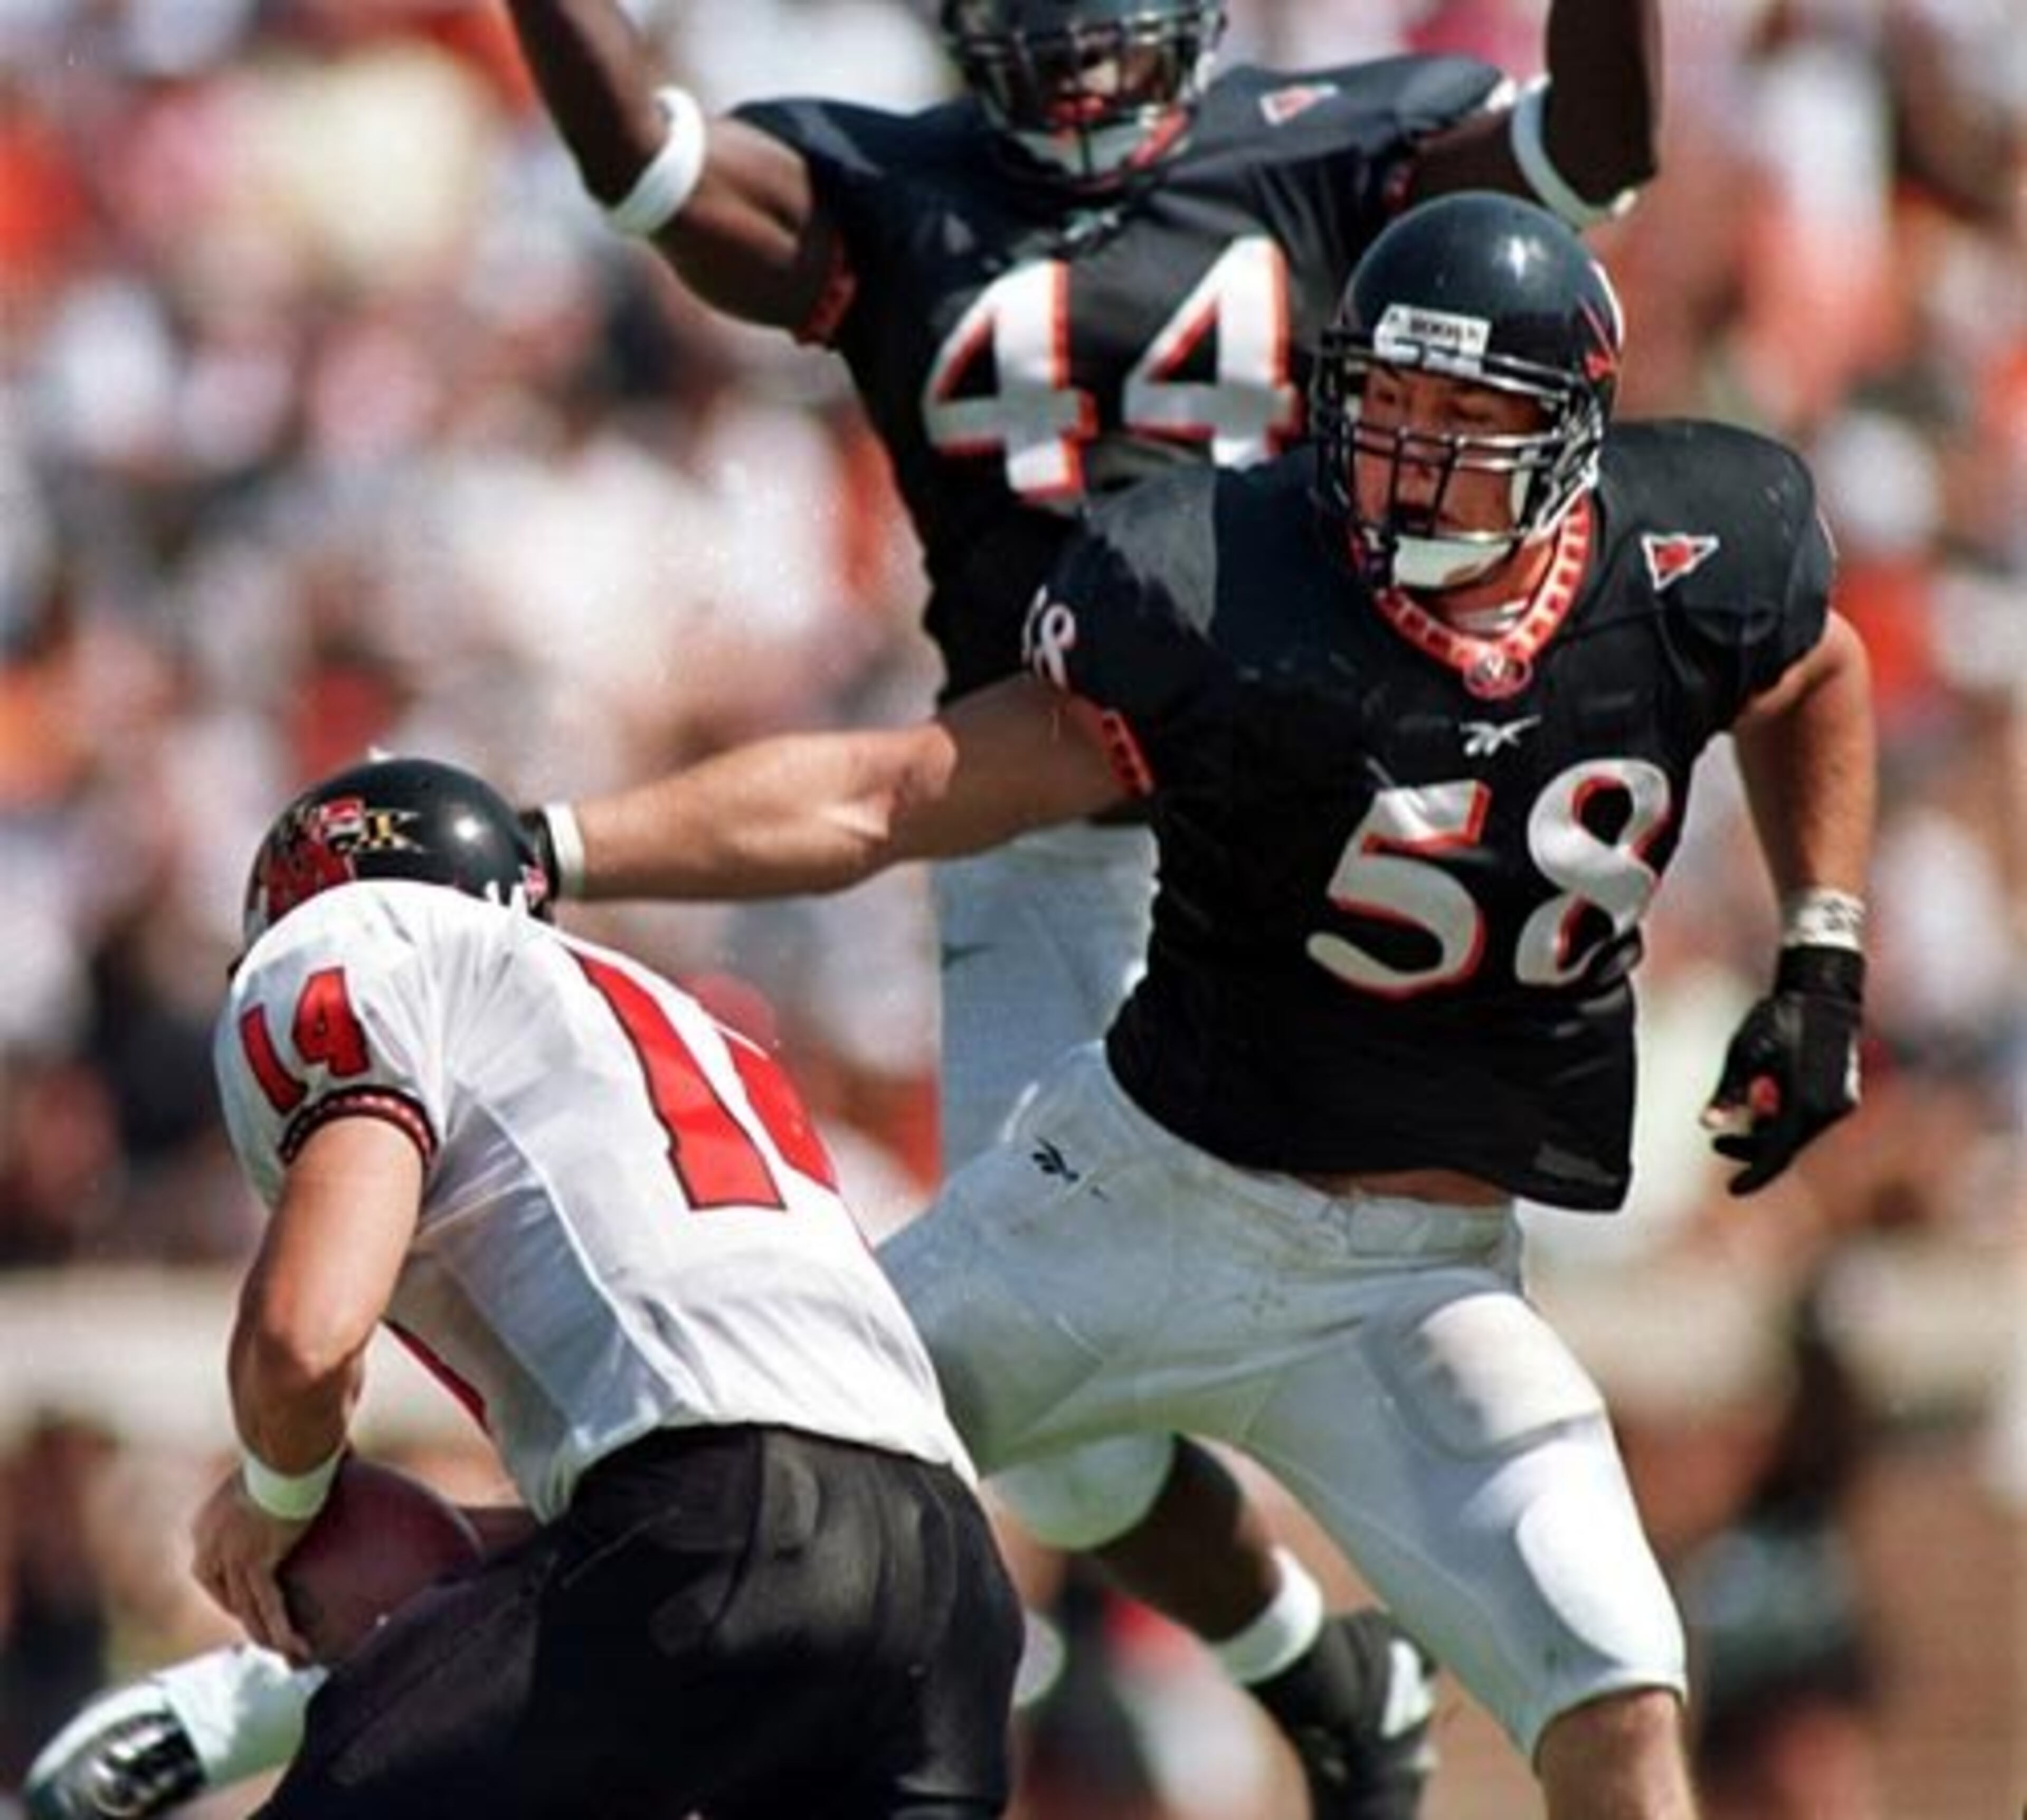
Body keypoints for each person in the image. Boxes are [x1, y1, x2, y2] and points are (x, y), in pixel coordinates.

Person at [24, 8, 1666, 1815]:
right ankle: (1304, 1645)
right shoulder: (908, 189)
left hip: (1280, 799)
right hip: (1032, 800)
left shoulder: (1337, 154)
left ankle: (269, 1706)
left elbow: (1595, 152)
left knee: (902, 1397)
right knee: (899, 1404)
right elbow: (647, 157)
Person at [519, 193, 1874, 1815]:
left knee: (1620, 1690)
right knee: (745, 1503)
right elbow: (900, 794)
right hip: (1133, 1207)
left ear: (1576, 440)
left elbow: (1815, 671)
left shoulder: (1698, 545)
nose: (1416, 464)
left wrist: (1825, 946)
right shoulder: (1229, 575)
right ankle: (314, 1719)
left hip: (1422, 1289)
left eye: (1472, 422)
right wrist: (561, 844)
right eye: (1394, 410)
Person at [30, 756, 1024, 1820]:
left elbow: (304, 1340)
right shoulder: (699, 1034)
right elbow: (777, 1489)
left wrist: (276, 1495)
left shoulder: (361, 945)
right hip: (954, 1600)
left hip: (722, 1545)